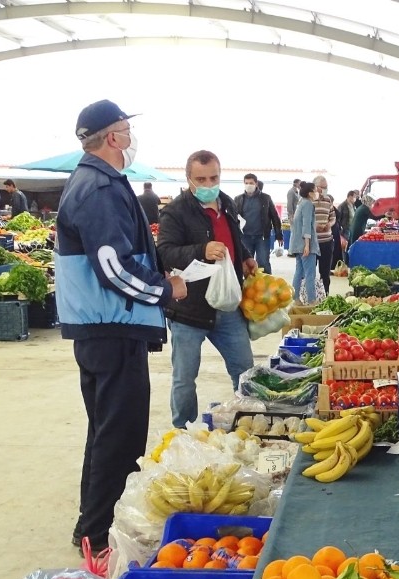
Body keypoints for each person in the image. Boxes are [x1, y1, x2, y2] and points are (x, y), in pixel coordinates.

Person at [54, 99, 187, 554]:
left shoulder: (93, 181)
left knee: (106, 429)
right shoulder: (99, 188)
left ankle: (90, 525)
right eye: (127, 130)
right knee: (120, 433)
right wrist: (166, 290)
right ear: (113, 137)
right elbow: (113, 266)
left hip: (101, 326)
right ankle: (98, 536)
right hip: (110, 327)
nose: (131, 139)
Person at [157, 150, 258, 429]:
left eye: (213, 177)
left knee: (245, 370)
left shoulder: (227, 204)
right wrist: (201, 250)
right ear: (188, 178)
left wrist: (246, 255)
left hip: (227, 307)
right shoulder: (175, 212)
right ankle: (183, 431)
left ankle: (249, 423)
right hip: (189, 310)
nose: (208, 184)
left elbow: (234, 237)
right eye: (200, 179)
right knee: (185, 378)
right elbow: (164, 253)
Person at [232, 173, 283, 274]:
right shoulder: (238, 199)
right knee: (246, 264)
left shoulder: (266, 198)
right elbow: (233, 218)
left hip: (262, 237)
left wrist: (279, 234)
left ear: (256, 183)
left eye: (251, 183)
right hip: (245, 237)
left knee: (263, 263)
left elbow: (275, 217)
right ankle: (248, 287)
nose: (248, 185)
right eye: (246, 183)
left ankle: (266, 287)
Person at [288, 181, 319, 302]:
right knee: (310, 274)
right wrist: (307, 245)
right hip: (305, 245)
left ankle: (295, 299)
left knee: (299, 272)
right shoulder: (308, 204)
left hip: (297, 244)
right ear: (310, 193)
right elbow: (306, 225)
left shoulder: (301, 203)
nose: (316, 193)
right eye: (315, 190)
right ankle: (312, 301)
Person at [312, 175, 336, 294]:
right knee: (309, 272)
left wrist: (329, 224)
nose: (325, 189)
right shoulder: (308, 200)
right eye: (323, 187)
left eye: (326, 187)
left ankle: (325, 295)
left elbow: (333, 217)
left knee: (325, 272)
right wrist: (314, 226)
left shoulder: (328, 200)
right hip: (312, 242)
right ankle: (310, 296)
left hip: (327, 241)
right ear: (316, 187)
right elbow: (302, 220)